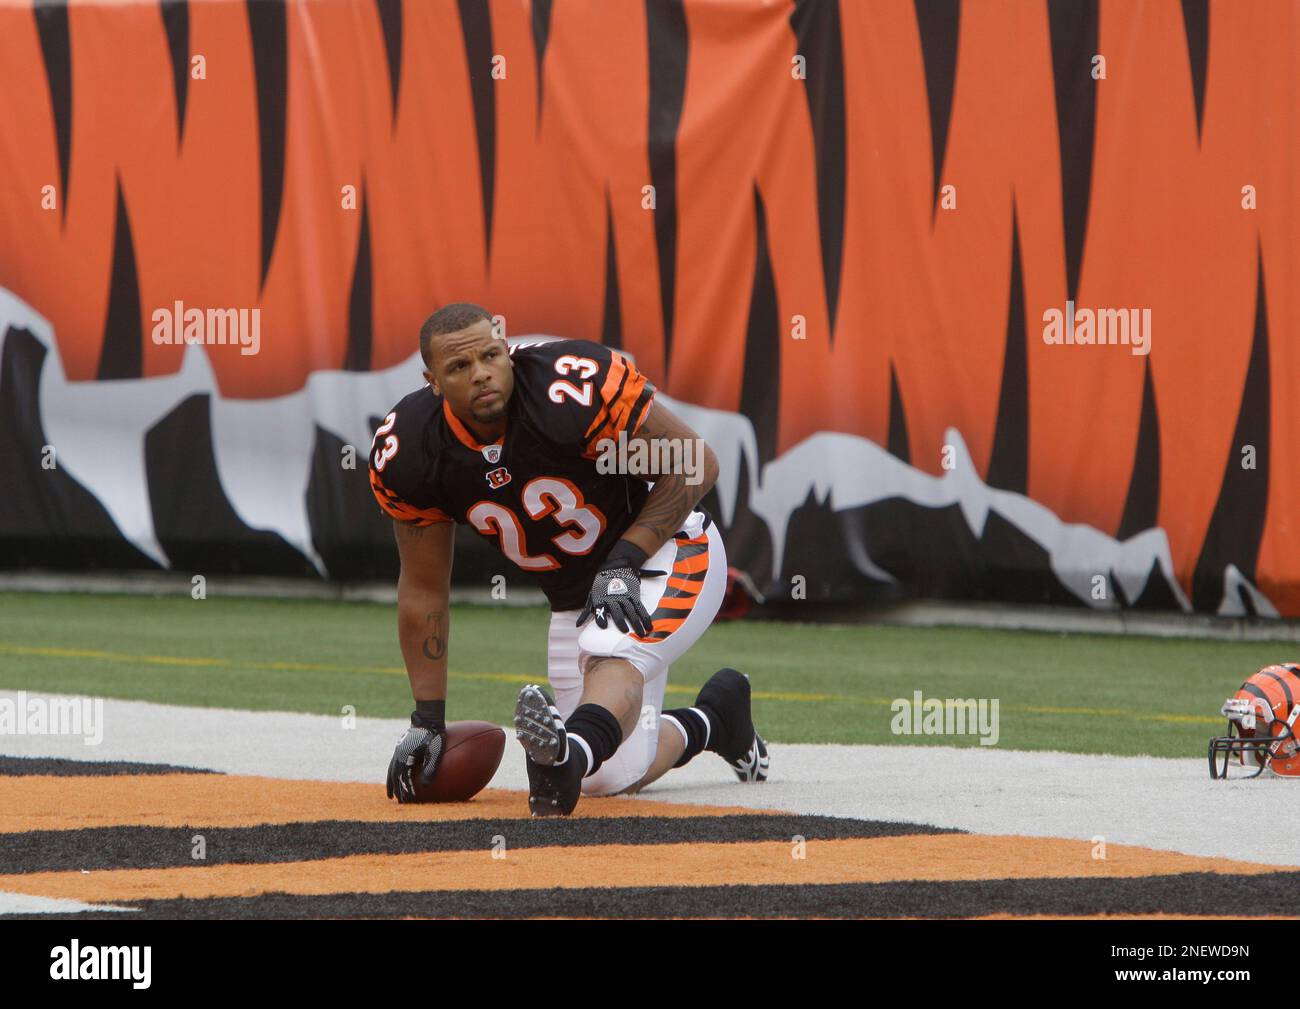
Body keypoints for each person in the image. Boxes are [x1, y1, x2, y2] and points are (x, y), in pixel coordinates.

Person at [369, 302, 768, 815]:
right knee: (611, 777)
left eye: (491, 355)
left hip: (669, 548)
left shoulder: (568, 390)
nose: (482, 374)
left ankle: (566, 760)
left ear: (507, 349)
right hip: (575, 596)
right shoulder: (411, 450)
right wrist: (426, 720)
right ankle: (716, 719)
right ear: (433, 380)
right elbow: (424, 590)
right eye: (460, 367)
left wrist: (625, 558)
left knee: (611, 655)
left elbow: (694, 462)